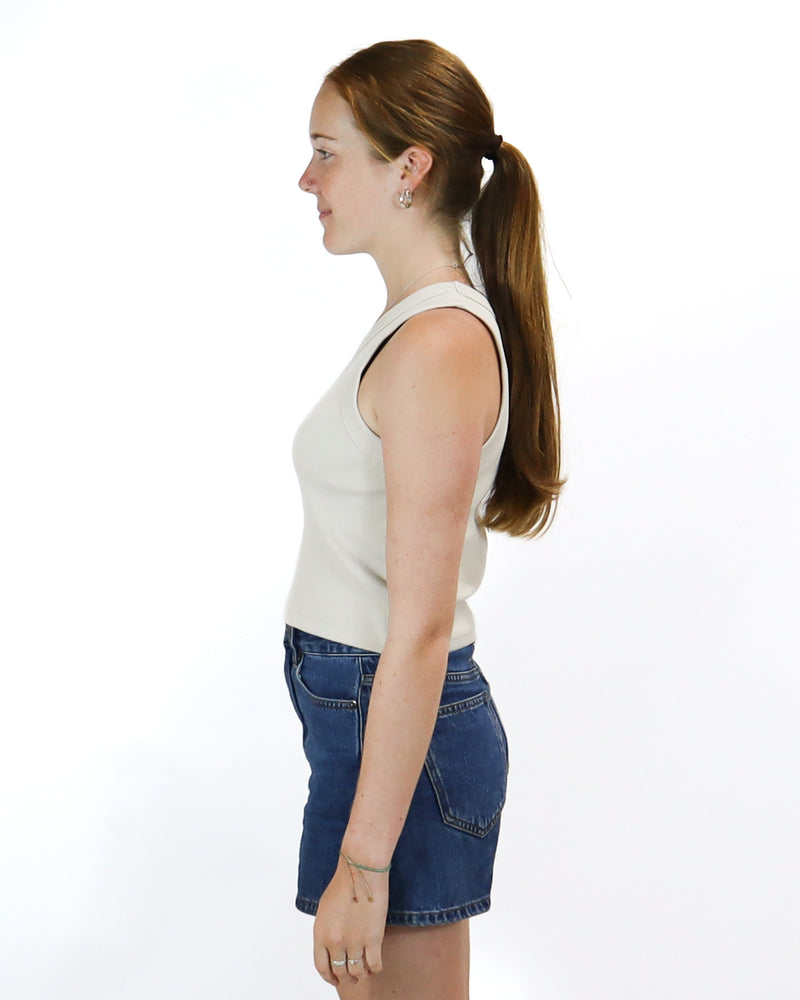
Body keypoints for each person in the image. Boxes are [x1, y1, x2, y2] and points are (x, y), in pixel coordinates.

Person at [284, 39, 565, 999]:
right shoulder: (415, 327)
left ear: (409, 169)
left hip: (399, 726)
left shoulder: (439, 344)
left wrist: (365, 862)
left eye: (328, 152)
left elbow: (421, 627)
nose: (305, 177)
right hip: (369, 724)